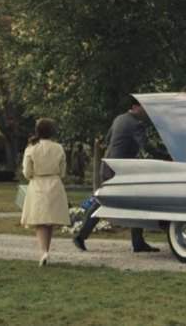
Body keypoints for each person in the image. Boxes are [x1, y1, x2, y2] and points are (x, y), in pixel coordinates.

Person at [72, 98, 159, 253]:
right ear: (134, 107)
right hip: (119, 170)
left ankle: (137, 242)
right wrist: (166, 155)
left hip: (108, 166)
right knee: (103, 202)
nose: (146, 111)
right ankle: (80, 236)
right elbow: (146, 146)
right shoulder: (136, 124)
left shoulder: (119, 119)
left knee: (133, 202)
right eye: (143, 107)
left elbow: (107, 139)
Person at [21, 118, 71, 266]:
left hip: (37, 184)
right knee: (49, 222)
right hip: (55, 184)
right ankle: (46, 251)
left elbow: (27, 172)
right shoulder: (59, 148)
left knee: (40, 222)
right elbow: (62, 171)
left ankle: (44, 252)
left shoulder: (31, 148)